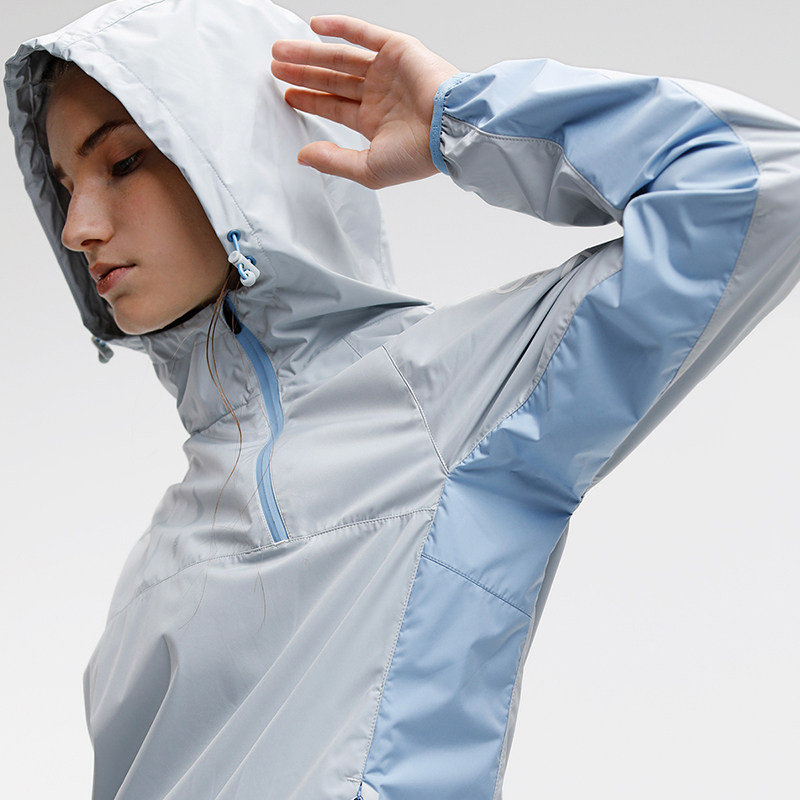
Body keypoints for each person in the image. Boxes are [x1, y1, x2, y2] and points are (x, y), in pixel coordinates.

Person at [5, 0, 799, 798]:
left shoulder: (444, 398)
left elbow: (759, 184)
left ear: (238, 156)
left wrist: (468, 120)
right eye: (66, 186)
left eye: (124, 162)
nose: (77, 228)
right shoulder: (155, 560)